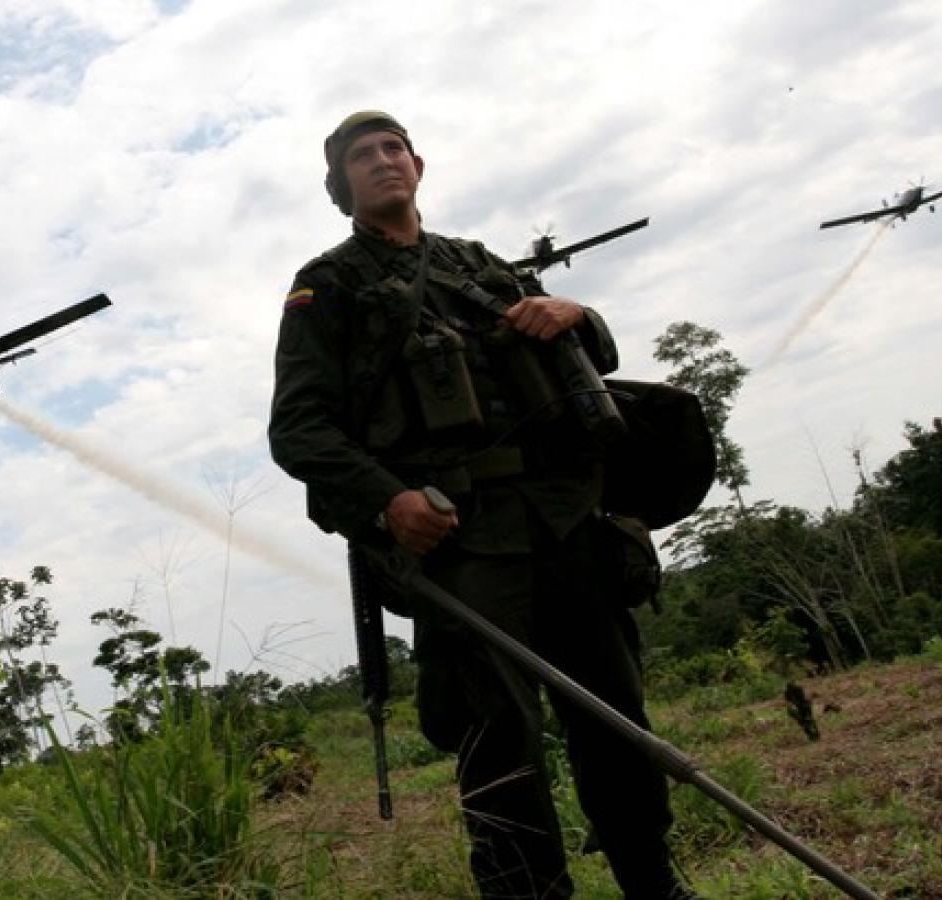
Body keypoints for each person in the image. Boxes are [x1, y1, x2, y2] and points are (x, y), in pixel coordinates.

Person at [268, 110, 699, 899]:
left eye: (394, 148)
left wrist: (580, 313)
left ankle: (654, 882)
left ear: (418, 166)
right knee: (500, 743)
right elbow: (297, 430)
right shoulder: (325, 289)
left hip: (565, 519)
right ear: (341, 187)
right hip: (461, 542)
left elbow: (588, 356)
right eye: (362, 156)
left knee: (618, 720)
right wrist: (388, 499)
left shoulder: (484, 267)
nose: (382, 161)